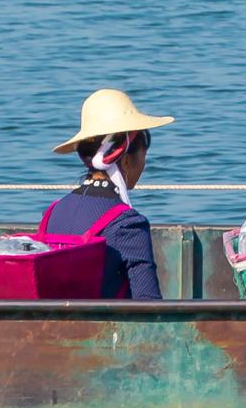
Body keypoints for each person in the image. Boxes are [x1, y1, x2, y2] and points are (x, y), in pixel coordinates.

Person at [46, 87, 172, 299]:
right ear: (124, 159)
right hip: (105, 332)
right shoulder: (128, 224)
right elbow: (149, 304)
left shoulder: (53, 213)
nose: (144, 163)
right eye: (143, 154)